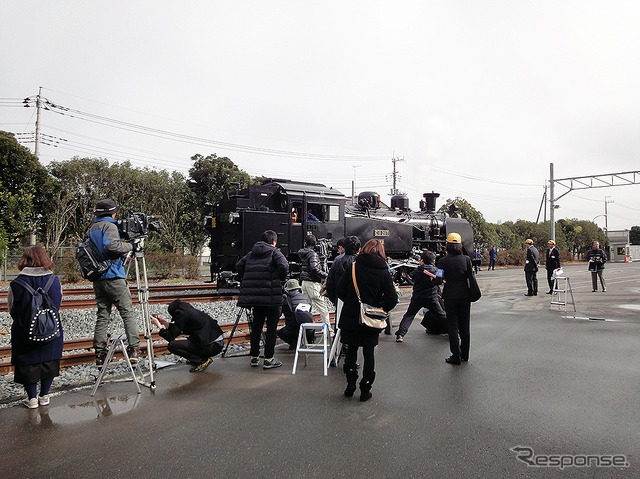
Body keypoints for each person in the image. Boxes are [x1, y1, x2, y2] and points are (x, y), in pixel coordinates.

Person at [337, 239, 398, 401]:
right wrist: (380, 309)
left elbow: (340, 290)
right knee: (368, 352)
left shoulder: (353, 267)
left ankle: (350, 385)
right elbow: (392, 298)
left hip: (351, 316)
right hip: (371, 318)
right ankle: (365, 389)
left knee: (351, 350)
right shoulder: (383, 271)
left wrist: (352, 303)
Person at [9, 246, 63, 408]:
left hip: (24, 331)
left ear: (24, 260)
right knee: (49, 360)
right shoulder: (54, 281)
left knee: (27, 363)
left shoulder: (16, 283)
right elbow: (58, 304)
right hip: (51, 330)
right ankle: (45, 395)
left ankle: (32, 398)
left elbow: (12, 308)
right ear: (45, 259)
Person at [89, 199, 140, 367]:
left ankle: (100, 354)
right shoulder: (109, 226)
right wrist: (130, 246)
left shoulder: (92, 228)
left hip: (98, 278)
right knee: (127, 313)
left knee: (103, 315)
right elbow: (112, 246)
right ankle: (134, 349)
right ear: (112, 213)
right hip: (113, 276)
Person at [236, 230, 289, 369]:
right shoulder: (274, 252)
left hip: (256, 299)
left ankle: (254, 357)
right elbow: (284, 266)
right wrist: (278, 278)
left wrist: (247, 278)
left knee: (256, 327)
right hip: (272, 299)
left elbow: (239, 266)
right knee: (271, 328)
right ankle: (269, 358)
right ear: (273, 242)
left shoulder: (251, 253)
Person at [151, 300, 224, 372]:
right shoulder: (188, 312)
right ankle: (197, 359)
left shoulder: (182, 315)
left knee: (172, 345)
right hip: (216, 344)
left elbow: (170, 337)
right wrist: (163, 322)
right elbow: (176, 330)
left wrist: (158, 324)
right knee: (187, 341)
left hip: (212, 346)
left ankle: (201, 361)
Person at [436, 233, 472, 365]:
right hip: (465, 296)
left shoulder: (443, 261)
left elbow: (438, 279)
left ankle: (455, 356)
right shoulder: (466, 259)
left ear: (448, 245)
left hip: (450, 297)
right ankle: (465, 354)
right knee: (465, 327)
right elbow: (470, 276)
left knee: (452, 327)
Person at [395, 250, 446, 342]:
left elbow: (412, 277)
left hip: (417, 297)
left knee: (409, 315)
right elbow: (439, 281)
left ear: (422, 260)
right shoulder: (437, 270)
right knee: (441, 314)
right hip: (432, 297)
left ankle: (400, 334)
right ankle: (453, 330)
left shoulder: (418, 270)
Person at [298, 235, 330, 332]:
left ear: (305, 243)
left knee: (306, 306)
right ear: (315, 244)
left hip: (304, 282)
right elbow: (314, 268)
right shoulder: (313, 254)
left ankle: (306, 330)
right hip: (313, 282)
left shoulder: (302, 253)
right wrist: (326, 275)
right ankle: (328, 330)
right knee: (322, 307)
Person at [277, 279, 315, 349]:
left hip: (293, 329)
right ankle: (310, 340)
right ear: (298, 288)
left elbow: (278, 314)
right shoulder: (305, 297)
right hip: (309, 328)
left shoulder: (285, 299)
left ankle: (294, 343)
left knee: (280, 333)